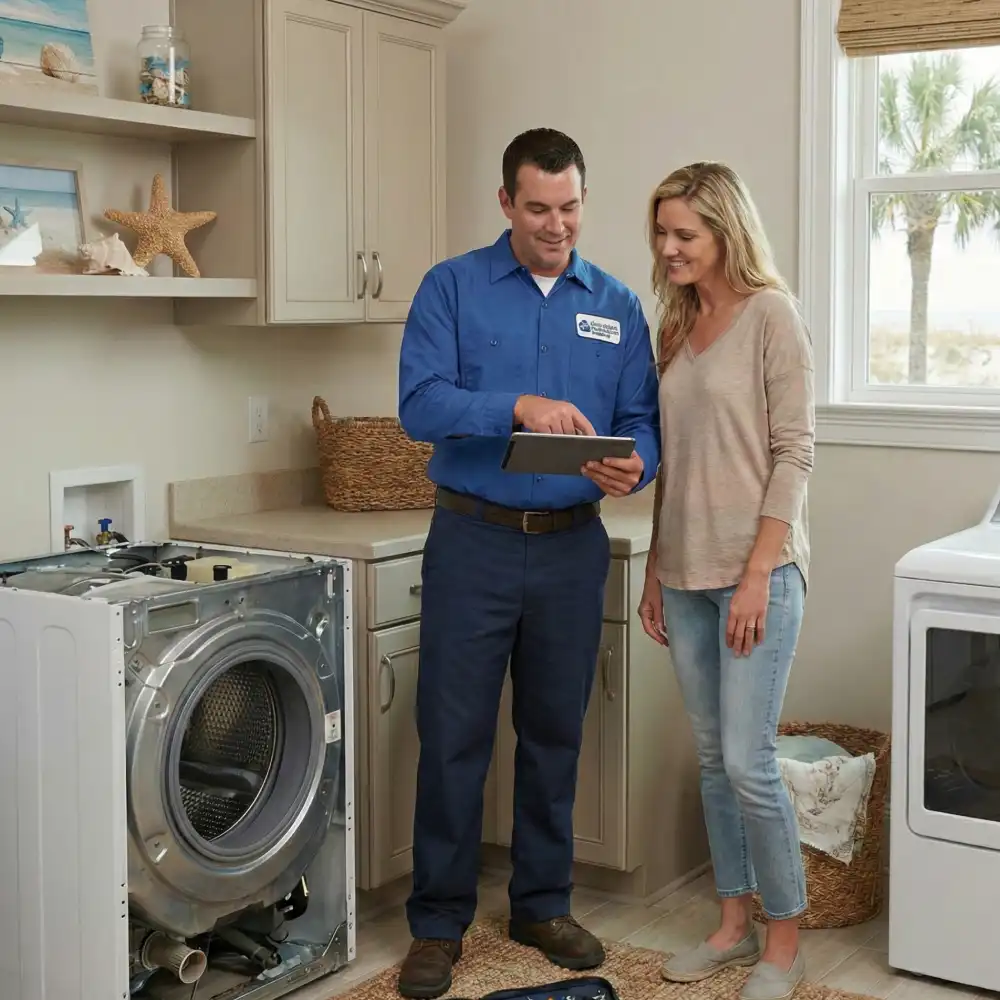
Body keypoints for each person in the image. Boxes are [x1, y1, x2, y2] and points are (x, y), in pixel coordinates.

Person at [396, 127, 660, 999]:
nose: (557, 225)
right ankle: (438, 923)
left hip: (572, 550)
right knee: (453, 738)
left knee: (555, 735)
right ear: (506, 202)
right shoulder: (452, 288)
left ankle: (542, 906)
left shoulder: (617, 304)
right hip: (472, 542)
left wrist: (638, 465)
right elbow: (419, 404)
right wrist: (517, 404)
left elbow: (643, 419)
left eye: (570, 208)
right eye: (539, 208)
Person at [636, 162, 814, 1000]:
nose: (668, 248)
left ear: (726, 232)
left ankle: (785, 940)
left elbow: (795, 454)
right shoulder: (675, 324)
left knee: (749, 762)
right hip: (683, 570)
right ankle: (733, 925)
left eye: (686, 234)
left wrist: (757, 573)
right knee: (713, 759)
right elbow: (672, 463)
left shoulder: (772, 315)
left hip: (757, 573)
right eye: (662, 233)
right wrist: (654, 568)